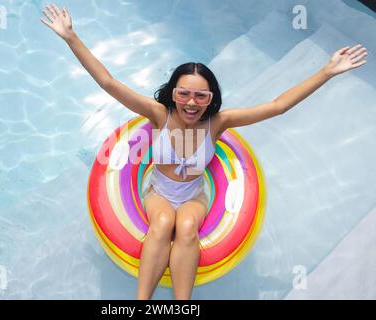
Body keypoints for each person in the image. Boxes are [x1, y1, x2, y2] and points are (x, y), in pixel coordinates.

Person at [40, 3, 368, 300]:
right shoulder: (159, 114)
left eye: (201, 96)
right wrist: (71, 37)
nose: (192, 103)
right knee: (164, 220)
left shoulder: (219, 123)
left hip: (195, 195)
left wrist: (327, 71)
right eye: (184, 94)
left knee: (185, 228)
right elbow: (110, 83)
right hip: (157, 191)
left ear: (211, 99)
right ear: (173, 93)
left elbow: (277, 106)